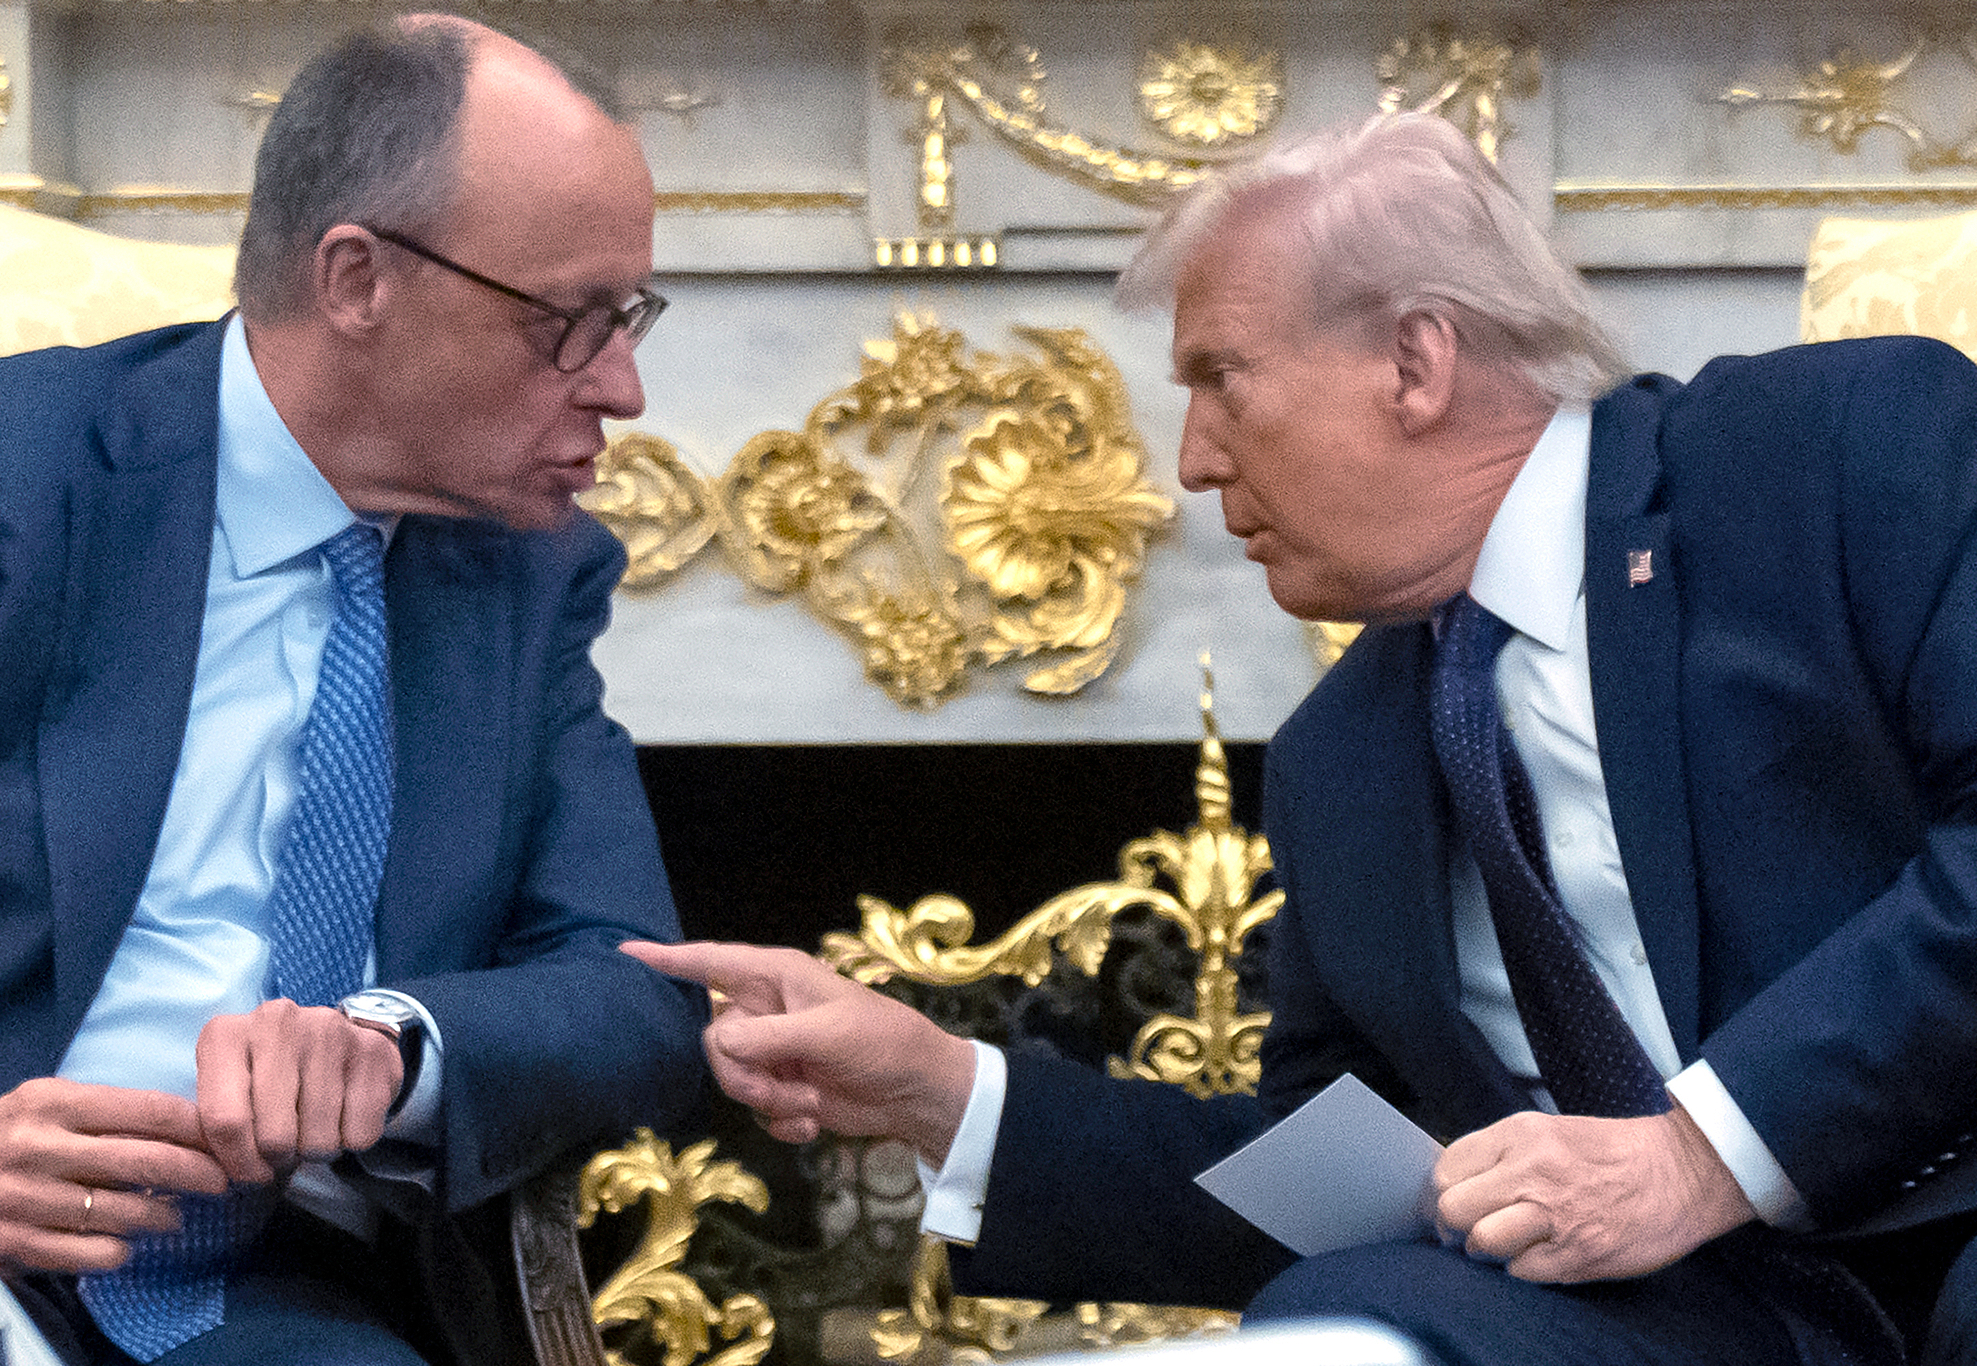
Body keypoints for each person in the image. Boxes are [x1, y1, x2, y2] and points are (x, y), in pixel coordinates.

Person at [625, 110, 1977, 1366]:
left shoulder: (1827, 455)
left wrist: (1700, 1154)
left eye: (1220, 378)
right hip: (1687, 1324)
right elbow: (1333, 1174)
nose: (1194, 460)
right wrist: (946, 1090)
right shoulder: (1347, 750)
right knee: (1339, 1319)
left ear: (1414, 359)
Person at [0, 15, 704, 1366]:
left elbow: (638, 993)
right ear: (357, 279)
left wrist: (396, 1048)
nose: (624, 388)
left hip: (264, 1298)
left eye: (629, 317)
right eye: (570, 323)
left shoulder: (529, 579)